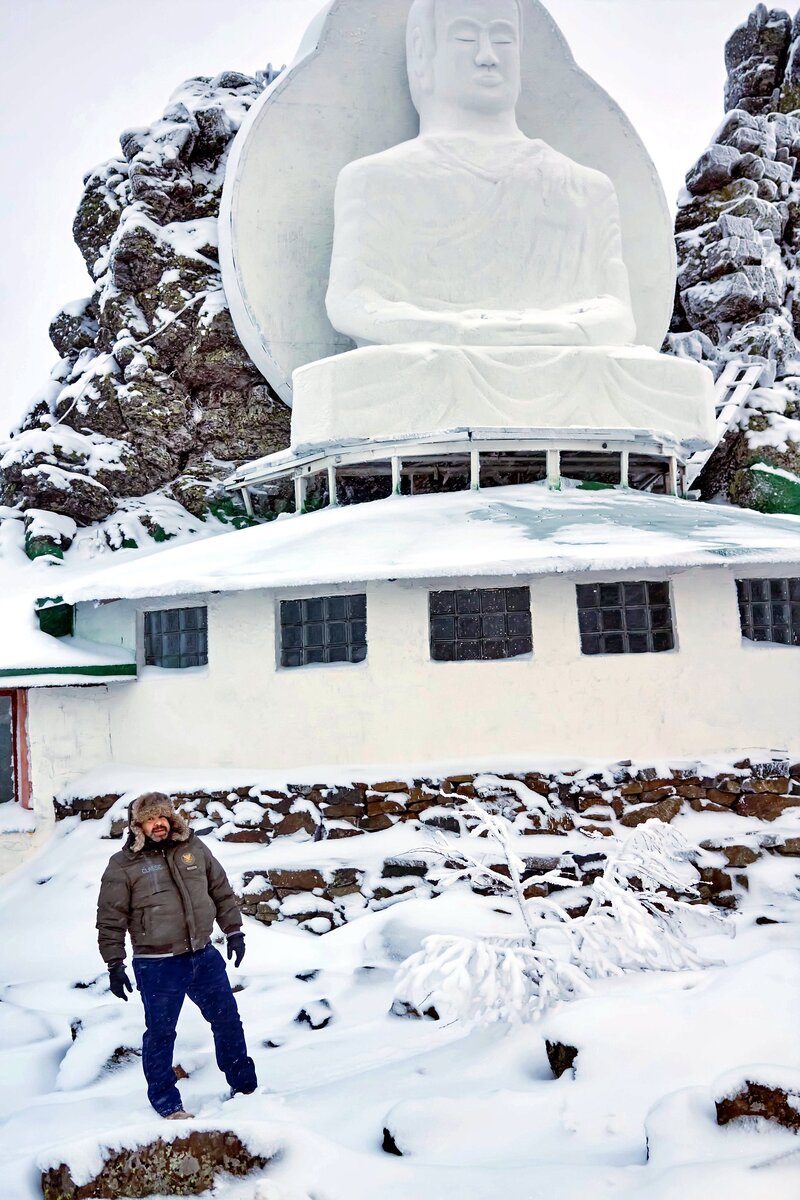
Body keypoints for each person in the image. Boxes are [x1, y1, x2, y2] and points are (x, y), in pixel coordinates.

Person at [96, 792, 257, 1119]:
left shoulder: (193, 849)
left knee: (227, 1021)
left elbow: (221, 891)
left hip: (203, 956)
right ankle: (167, 1103)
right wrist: (115, 964)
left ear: (172, 818)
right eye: (150, 819)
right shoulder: (123, 865)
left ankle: (246, 1089)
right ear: (138, 825)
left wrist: (234, 931)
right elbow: (110, 919)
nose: (158, 824)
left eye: (163, 817)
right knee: (161, 1033)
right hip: (157, 965)